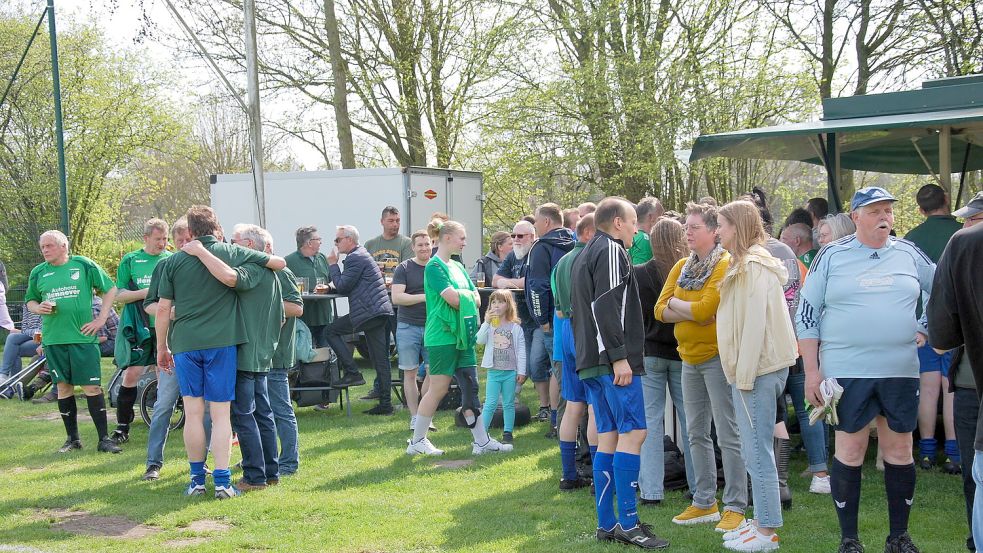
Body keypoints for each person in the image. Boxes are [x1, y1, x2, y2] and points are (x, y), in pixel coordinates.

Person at [797, 187, 934, 553]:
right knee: (851, 449)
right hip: (846, 371)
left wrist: (925, 326)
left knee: (900, 450)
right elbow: (806, 314)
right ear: (856, 216)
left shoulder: (908, 253)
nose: (884, 217)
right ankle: (850, 540)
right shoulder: (830, 255)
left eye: (888, 210)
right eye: (875, 211)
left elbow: (941, 290)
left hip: (899, 370)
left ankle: (899, 537)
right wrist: (812, 372)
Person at [155, 205, 285, 499]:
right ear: (217, 228)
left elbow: (163, 308)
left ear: (189, 231)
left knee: (193, 413)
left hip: (186, 343)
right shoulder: (233, 252)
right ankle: (224, 482)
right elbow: (277, 262)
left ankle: (196, 480)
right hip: (222, 344)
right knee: (222, 415)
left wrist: (161, 346)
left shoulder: (172, 262)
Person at [571, 197, 668, 549]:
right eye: (631, 222)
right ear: (617, 223)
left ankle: (608, 523)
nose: (636, 228)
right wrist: (619, 357)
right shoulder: (611, 250)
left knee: (610, 436)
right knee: (635, 432)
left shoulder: (585, 251)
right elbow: (605, 303)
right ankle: (628, 523)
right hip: (612, 361)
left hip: (591, 361)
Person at [657, 203, 748, 533]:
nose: (688, 232)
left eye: (694, 227)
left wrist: (684, 309)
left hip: (717, 358)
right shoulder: (682, 266)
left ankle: (736, 504)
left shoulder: (724, 264)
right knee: (695, 433)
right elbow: (659, 310)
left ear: (714, 231)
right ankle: (705, 501)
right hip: (688, 359)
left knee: (727, 433)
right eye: (686, 227)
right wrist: (691, 311)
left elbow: (709, 307)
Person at [715, 200, 798, 551]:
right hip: (754, 370)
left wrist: (742, 376)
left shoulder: (753, 267)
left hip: (756, 371)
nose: (717, 231)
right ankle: (761, 521)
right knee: (754, 450)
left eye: (721, 225)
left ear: (737, 227)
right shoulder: (746, 265)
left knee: (757, 451)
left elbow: (754, 327)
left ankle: (766, 532)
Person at [187, 223, 286, 492]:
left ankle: (254, 476)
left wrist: (202, 254)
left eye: (234, 241)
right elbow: (282, 316)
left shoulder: (253, 269)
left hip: (244, 353)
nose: (228, 246)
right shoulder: (272, 272)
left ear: (249, 246)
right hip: (262, 353)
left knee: (243, 415)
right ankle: (270, 471)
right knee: (262, 414)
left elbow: (230, 278)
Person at [406, 219, 512, 456]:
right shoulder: (434, 267)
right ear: (447, 238)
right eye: (462, 238)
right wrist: (466, 295)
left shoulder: (457, 266)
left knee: (470, 386)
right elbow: (455, 299)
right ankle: (417, 441)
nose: (465, 242)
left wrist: (464, 294)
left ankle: (481, 441)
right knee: (439, 388)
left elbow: (475, 297)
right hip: (442, 336)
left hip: (463, 335)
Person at [24, 230, 120, 454]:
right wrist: (38, 308)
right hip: (54, 340)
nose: (45, 250)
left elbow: (110, 289)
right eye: (43, 247)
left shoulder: (83, 265)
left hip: (83, 339)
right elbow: (30, 300)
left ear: (64, 246)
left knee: (91, 386)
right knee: (63, 387)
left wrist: (101, 318)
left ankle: (104, 439)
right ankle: (73, 439)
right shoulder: (38, 272)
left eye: (49, 246)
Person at [931, 191, 983, 551]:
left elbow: (941, 338)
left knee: (977, 475)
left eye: (972, 218)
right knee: (971, 475)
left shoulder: (963, 247)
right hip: (967, 384)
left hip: (972, 382)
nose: (965, 223)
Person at [634, 217, 697, 504]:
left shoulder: (639, 273)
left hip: (651, 352)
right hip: (684, 351)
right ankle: (699, 487)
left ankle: (651, 490)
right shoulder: (691, 271)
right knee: (692, 422)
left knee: (651, 422)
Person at [905, 183, 963, 473]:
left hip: (922, 325)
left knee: (927, 390)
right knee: (951, 387)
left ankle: (926, 452)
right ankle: (954, 454)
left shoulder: (910, 239)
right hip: (957, 323)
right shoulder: (963, 233)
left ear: (920, 209)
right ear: (947, 200)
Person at [141, 217, 199, 481]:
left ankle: (204, 461)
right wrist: (171, 313)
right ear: (174, 243)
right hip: (174, 349)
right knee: (164, 404)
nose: (185, 244)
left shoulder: (206, 263)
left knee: (209, 408)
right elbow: (150, 305)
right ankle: (153, 463)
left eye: (189, 239)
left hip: (202, 347)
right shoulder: (166, 265)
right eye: (180, 241)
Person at [109, 218, 172, 445]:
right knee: (132, 373)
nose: (162, 244)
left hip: (166, 325)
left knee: (163, 372)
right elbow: (119, 295)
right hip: (139, 325)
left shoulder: (170, 259)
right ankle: (122, 427)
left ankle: (164, 422)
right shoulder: (131, 260)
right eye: (158, 239)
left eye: (165, 239)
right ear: (146, 238)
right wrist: (147, 292)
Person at [552, 213, 599, 490]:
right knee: (594, 407)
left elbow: (558, 309)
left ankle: (569, 474)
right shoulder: (591, 259)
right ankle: (597, 476)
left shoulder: (561, 263)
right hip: (587, 332)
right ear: (589, 233)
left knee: (572, 406)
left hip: (565, 332)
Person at [325, 225, 394, 414]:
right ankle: (385, 404)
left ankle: (353, 373)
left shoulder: (354, 258)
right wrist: (332, 286)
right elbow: (347, 284)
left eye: (338, 240)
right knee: (380, 360)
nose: (336, 243)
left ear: (349, 239)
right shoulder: (360, 254)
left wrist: (332, 264)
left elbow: (344, 286)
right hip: (377, 311)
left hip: (370, 312)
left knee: (330, 331)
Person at [526, 203, 575, 434]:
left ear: (546, 221)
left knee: (560, 371)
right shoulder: (576, 241)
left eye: (536, 221)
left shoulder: (541, 247)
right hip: (576, 319)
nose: (534, 226)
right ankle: (566, 424)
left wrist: (542, 320)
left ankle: (562, 425)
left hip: (554, 320)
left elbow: (537, 287)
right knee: (570, 372)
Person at [494, 220, 550, 418]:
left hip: (540, 320)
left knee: (535, 363)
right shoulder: (512, 257)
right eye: (514, 235)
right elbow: (495, 280)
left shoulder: (538, 254)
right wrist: (515, 283)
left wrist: (509, 283)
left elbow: (533, 281)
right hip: (520, 320)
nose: (516, 240)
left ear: (532, 237)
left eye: (521, 236)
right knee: (520, 363)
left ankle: (546, 407)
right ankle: (510, 401)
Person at [265, 230, 303, 477]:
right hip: (258, 354)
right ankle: (263, 458)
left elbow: (296, 307)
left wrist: (264, 305)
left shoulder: (282, 272)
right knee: (260, 411)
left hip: (276, 354)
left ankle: (289, 462)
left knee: (281, 410)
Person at [392, 230, 433, 430]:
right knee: (410, 373)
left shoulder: (438, 267)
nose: (424, 248)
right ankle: (415, 416)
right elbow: (397, 298)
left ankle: (425, 413)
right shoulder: (404, 268)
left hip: (434, 327)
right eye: (420, 245)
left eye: (427, 244)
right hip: (408, 325)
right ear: (413, 248)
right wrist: (425, 297)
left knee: (434, 374)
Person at [476, 289, 526, 444]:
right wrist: (486, 322)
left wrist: (522, 371)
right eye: (493, 302)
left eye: (501, 302)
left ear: (508, 305)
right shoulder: (490, 325)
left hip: (510, 372)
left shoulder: (516, 328)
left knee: (509, 403)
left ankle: (507, 433)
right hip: (494, 371)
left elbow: (521, 350)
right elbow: (479, 341)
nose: (496, 305)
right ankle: (482, 435)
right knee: (490, 403)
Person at [285, 226, 332, 347]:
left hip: (324, 316)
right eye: (318, 239)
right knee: (304, 355)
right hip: (303, 318)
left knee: (326, 354)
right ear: (309, 243)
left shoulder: (322, 258)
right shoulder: (289, 261)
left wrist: (327, 287)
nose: (321, 242)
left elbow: (332, 282)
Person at [364, 206, 414, 279]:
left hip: (397, 288)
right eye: (391, 221)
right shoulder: (369, 244)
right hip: (375, 288)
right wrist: (374, 273)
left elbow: (408, 271)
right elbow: (363, 270)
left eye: (397, 221)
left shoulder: (407, 243)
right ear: (382, 221)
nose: (395, 224)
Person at [628, 197, 665, 264]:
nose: (662, 221)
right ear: (651, 217)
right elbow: (639, 272)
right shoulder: (644, 240)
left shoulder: (628, 235)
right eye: (660, 217)